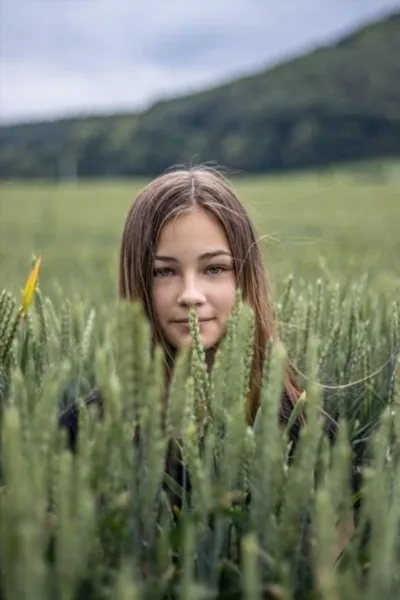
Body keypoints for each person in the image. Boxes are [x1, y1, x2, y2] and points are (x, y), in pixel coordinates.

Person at [59, 165, 353, 557]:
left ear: (244, 278)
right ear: (137, 282)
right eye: (164, 271)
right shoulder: (84, 430)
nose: (190, 294)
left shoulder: (304, 430)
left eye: (214, 268)